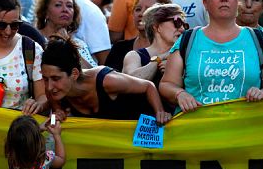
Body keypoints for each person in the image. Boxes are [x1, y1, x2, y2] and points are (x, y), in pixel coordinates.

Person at [159, 0, 263, 111]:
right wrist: (180, 94)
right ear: (205, 3)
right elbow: (166, 84)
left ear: (237, 1)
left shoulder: (258, 39)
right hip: (197, 130)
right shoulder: (188, 39)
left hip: (245, 128)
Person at [42, 37, 171, 125]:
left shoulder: (106, 80)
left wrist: (160, 112)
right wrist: (55, 115)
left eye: (56, 78)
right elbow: (54, 119)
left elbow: (148, 86)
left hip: (142, 134)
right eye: (45, 79)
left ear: (74, 74)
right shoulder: (53, 92)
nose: (49, 86)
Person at [122, 3, 186, 92]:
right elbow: (131, 80)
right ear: (157, 27)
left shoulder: (185, 55)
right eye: (177, 22)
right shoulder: (135, 56)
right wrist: (158, 60)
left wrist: (176, 71)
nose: (182, 29)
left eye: (184, 25)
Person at [105, 0, 171, 72]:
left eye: (148, 9)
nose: (141, 14)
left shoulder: (171, 49)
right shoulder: (120, 48)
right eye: (138, 9)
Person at [35, 0, 96, 68]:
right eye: (58, 5)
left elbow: (91, 74)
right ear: (45, 12)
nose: (65, 10)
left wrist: (69, 45)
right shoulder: (34, 38)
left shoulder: (78, 44)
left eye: (69, 6)